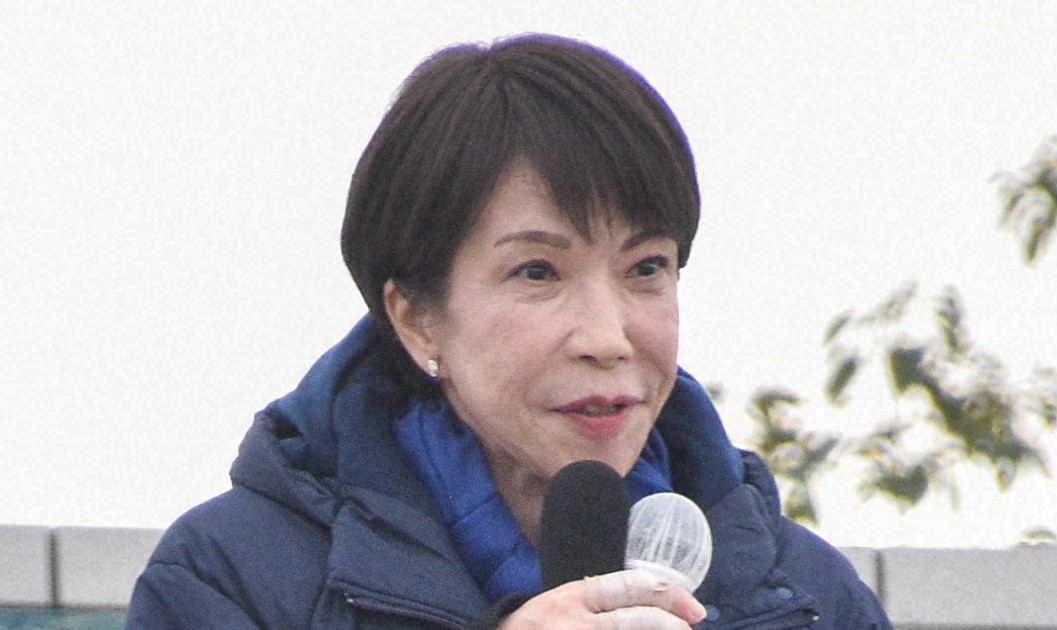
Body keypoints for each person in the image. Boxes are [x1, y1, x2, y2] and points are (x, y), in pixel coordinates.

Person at [125, 34, 891, 629]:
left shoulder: (808, 598)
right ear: (416, 318)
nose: (607, 337)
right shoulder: (229, 579)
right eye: (537, 272)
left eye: (646, 268)